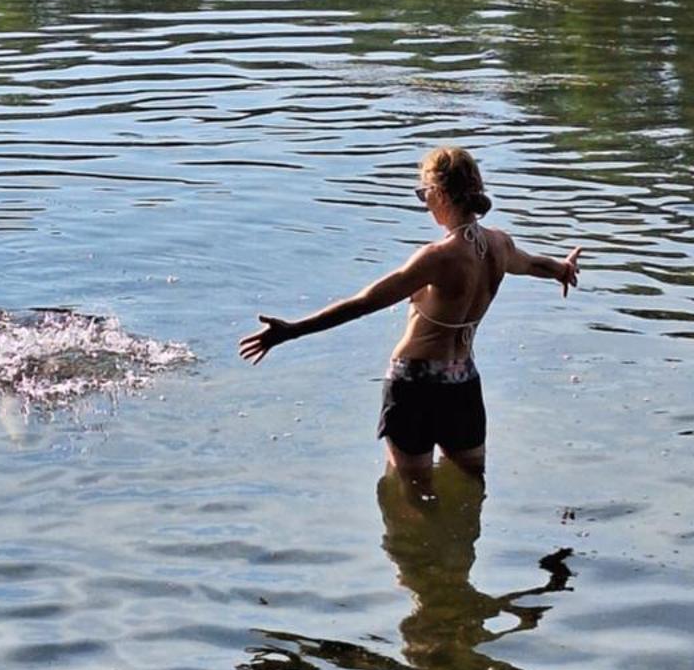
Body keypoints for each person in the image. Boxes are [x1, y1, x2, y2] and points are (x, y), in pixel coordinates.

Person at [238, 146, 579, 480]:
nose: (424, 202)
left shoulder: (438, 257)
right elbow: (534, 264)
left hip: (413, 384)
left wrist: (292, 330)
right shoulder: (499, 245)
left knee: (412, 494)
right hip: (462, 382)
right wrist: (563, 268)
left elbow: (364, 303)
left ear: (442, 194)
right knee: (470, 482)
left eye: (424, 193)